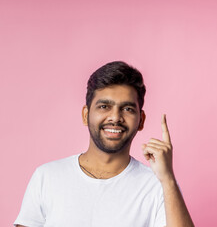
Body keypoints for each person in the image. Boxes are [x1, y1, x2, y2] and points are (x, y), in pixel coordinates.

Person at [14, 61, 194, 227]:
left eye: (127, 109)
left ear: (141, 120)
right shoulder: (47, 177)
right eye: (104, 106)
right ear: (86, 115)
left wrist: (168, 180)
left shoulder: (159, 186)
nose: (115, 117)